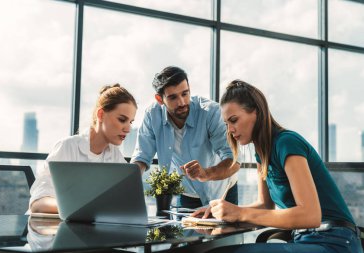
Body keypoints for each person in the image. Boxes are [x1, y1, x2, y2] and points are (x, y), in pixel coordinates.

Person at [193, 79, 363, 253]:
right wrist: (223, 211)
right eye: (226, 124)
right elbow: (265, 206)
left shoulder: (287, 143)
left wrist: (240, 213)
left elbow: (310, 215)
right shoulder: (261, 153)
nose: (230, 130)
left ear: (257, 113)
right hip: (304, 239)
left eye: (234, 120)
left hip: (334, 242)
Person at [131, 66, 240, 209]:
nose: (182, 102)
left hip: (221, 191)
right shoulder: (152, 116)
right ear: (159, 99)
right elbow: (142, 157)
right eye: (173, 97)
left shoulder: (211, 112)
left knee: (224, 232)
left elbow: (233, 161)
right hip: (186, 195)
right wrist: (128, 185)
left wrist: (206, 173)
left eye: (185, 94)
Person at [29, 84, 137, 214]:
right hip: (43, 229)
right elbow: (38, 204)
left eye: (130, 122)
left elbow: (126, 201)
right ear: (101, 114)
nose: (128, 129)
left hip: (86, 228)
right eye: (122, 120)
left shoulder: (115, 156)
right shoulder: (67, 147)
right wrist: (86, 208)